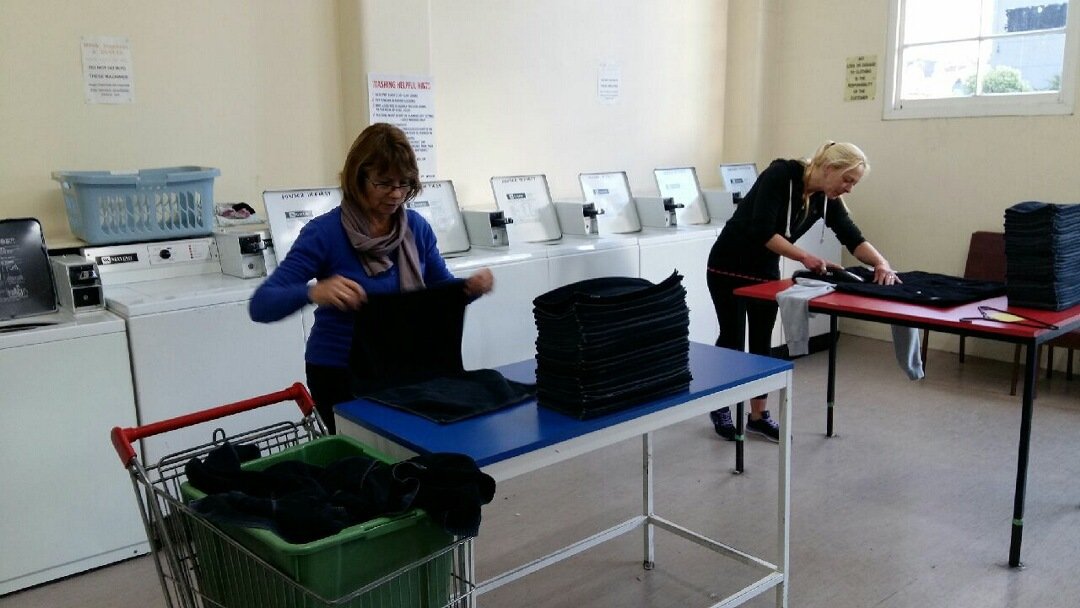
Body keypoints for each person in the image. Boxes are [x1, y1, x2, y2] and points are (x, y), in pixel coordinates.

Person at [250, 123, 494, 433]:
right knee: (360, 464)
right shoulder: (324, 234)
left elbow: (437, 291)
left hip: (406, 366)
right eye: (384, 183)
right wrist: (314, 292)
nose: (396, 194)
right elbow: (261, 305)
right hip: (340, 373)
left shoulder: (415, 229)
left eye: (405, 184)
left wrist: (469, 288)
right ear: (359, 177)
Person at [706, 141, 899, 442]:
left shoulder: (825, 198)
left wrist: (881, 262)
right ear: (830, 168)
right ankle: (719, 406)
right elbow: (763, 231)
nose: (849, 188)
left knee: (760, 342)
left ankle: (757, 416)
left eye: (854, 183)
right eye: (847, 180)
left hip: (763, 271)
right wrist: (804, 257)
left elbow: (852, 236)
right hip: (727, 266)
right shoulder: (781, 174)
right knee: (732, 336)